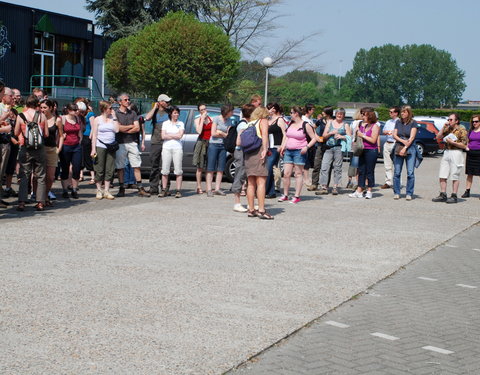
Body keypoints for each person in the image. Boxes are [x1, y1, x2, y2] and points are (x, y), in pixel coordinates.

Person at [14, 95, 49, 211]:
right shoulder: (42, 116)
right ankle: (40, 202)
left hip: (26, 148)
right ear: (37, 104)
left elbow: (16, 132)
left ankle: (22, 202)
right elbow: (46, 134)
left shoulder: (20, 116)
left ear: (26, 104)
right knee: (41, 176)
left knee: (24, 175)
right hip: (39, 149)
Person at [114, 93, 150, 197]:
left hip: (132, 142)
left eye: (128, 99)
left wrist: (123, 128)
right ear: (120, 102)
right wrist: (130, 127)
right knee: (120, 167)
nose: (128, 101)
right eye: (125, 99)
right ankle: (122, 188)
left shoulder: (133, 113)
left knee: (136, 165)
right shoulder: (116, 114)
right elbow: (117, 128)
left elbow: (137, 128)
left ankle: (140, 188)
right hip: (121, 143)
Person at [278, 106, 316, 204]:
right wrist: (283, 147)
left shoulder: (305, 124)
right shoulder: (290, 124)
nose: (290, 115)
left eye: (291, 113)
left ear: (296, 113)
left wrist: (306, 147)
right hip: (289, 151)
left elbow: (314, 138)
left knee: (298, 173)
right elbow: (286, 137)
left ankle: (297, 195)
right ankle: (285, 194)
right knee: (286, 174)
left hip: (299, 151)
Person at [244, 106, 273, 219]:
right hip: (258, 152)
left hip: (248, 154)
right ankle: (261, 210)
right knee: (261, 182)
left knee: (251, 183)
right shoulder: (263, 121)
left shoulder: (250, 123)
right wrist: (265, 149)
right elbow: (265, 135)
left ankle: (251, 209)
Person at [432, 113, 468, 203]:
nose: (449, 121)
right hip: (447, 152)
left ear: (456, 121)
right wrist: (443, 127)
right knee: (442, 174)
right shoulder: (448, 129)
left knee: (454, 175)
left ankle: (454, 195)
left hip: (456, 152)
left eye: (451, 120)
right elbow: (438, 137)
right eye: (448, 119)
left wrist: (453, 142)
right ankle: (443, 194)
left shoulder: (462, 130)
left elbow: (464, 145)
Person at [317, 108, 351, 195]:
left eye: (341, 114)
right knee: (324, 166)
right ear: (335, 114)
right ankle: (324, 186)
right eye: (338, 114)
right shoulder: (330, 123)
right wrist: (331, 133)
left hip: (339, 148)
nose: (339, 116)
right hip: (329, 147)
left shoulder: (346, 125)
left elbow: (350, 137)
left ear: (343, 115)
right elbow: (324, 136)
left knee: (337, 167)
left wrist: (342, 136)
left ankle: (336, 186)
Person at [90, 101, 119, 200]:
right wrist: (93, 149)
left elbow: (117, 130)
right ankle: (99, 190)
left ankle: (106, 190)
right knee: (99, 168)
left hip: (111, 146)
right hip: (100, 145)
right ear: (104, 109)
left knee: (110, 169)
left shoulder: (112, 119)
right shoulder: (97, 119)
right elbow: (94, 135)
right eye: (110, 108)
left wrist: (114, 117)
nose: (111, 110)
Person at [349, 108, 380, 199]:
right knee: (361, 170)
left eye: (364, 114)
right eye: (362, 114)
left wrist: (362, 135)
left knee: (369, 171)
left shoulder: (375, 126)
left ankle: (369, 191)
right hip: (361, 149)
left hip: (371, 150)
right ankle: (359, 190)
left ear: (369, 115)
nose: (362, 116)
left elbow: (373, 140)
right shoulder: (361, 124)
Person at [145, 93, 171, 195]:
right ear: (160, 102)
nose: (168, 103)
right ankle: (153, 188)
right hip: (156, 142)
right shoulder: (155, 112)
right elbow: (147, 118)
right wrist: (154, 107)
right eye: (166, 101)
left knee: (166, 166)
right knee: (154, 165)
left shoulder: (169, 111)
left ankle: (165, 188)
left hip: (167, 142)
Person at [39, 99, 63, 206]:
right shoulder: (38, 118)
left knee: (50, 177)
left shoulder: (57, 120)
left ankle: (46, 194)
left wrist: (59, 148)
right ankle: (41, 198)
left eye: (45, 107)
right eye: (41, 107)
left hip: (52, 149)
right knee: (40, 176)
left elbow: (61, 135)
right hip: (40, 149)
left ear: (51, 108)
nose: (43, 110)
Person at [231, 103, 254, 212]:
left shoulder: (248, 123)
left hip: (246, 152)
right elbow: (239, 142)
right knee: (239, 175)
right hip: (241, 152)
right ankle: (237, 202)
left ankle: (250, 204)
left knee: (247, 176)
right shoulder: (243, 125)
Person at [206, 104, 232, 197]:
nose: (232, 113)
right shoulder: (216, 119)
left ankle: (217, 188)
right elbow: (213, 133)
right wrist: (222, 133)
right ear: (226, 111)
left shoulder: (229, 121)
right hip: (214, 144)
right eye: (230, 111)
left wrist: (220, 132)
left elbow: (228, 134)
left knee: (221, 168)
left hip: (223, 145)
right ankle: (209, 189)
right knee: (210, 167)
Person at [392, 105, 418, 200]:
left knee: (410, 172)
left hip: (410, 148)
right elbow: (394, 134)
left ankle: (409, 193)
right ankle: (397, 192)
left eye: (404, 112)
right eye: (401, 112)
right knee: (397, 172)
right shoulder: (398, 122)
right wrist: (402, 142)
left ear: (409, 113)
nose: (402, 113)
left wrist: (405, 147)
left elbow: (412, 137)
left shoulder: (413, 123)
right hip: (399, 146)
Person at [159, 106, 185, 198]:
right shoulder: (165, 123)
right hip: (166, 148)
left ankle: (178, 190)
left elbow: (180, 136)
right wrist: (174, 135)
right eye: (175, 113)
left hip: (177, 148)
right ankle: (164, 189)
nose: (176, 115)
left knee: (178, 170)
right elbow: (163, 136)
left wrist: (169, 135)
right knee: (165, 170)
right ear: (170, 114)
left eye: (177, 113)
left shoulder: (181, 123)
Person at [59, 102, 83, 199]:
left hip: (76, 146)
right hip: (66, 146)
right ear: (69, 110)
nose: (76, 111)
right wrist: (62, 137)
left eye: (77, 109)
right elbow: (59, 132)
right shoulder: (63, 119)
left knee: (76, 168)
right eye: (74, 110)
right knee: (65, 168)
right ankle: (65, 190)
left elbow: (80, 130)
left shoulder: (77, 118)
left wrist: (80, 139)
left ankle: (74, 189)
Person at [309, 106, 334, 191]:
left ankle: (325, 184)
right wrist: (316, 137)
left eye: (323, 111)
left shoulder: (333, 121)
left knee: (328, 166)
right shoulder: (320, 121)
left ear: (327, 112)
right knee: (317, 165)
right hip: (320, 144)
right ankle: (314, 184)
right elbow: (312, 128)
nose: (322, 113)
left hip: (329, 146)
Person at [265, 102, 287, 199]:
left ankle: (270, 191)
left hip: (275, 147)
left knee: (269, 168)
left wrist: (282, 146)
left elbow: (285, 134)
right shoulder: (268, 119)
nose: (268, 110)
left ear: (274, 109)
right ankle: (268, 190)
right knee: (267, 169)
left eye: (269, 108)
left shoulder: (280, 120)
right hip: (267, 147)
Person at [193, 103, 212, 194]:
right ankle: (199, 186)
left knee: (209, 166)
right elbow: (199, 131)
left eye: (205, 109)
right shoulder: (197, 119)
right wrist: (202, 119)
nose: (204, 111)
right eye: (202, 110)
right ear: (199, 111)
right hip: (201, 142)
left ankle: (209, 186)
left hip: (210, 143)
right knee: (200, 166)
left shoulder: (211, 119)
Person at [381, 106, 400, 189]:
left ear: (396, 113)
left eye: (391, 112)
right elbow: (383, 131)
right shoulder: (388, 121)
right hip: (387, 143)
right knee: (387, 164)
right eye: (389, 112)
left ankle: (397, 182)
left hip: (395, 143)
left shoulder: (399, 122)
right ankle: (388, 182)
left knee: (397, 164)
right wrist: (387, 132)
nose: (390, 113)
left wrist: (393, 133)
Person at [462, 114, 480, 198]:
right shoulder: (470, 131)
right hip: (470, 154)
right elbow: (467, 141)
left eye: (476, 121)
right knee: (469, 174)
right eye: (473, 121)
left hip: (479, 154)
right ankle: (467, 191)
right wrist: (467, 147)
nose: (474, 123)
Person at [302, 104, 316, 187]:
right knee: (305, 161)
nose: (313, 111)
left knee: (308, 160)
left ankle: (306, 178)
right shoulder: (304, 119)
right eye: (313, 109)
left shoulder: (310, 120)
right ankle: (306, 179)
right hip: (306, 142)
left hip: (311, 142)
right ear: (309, 110)